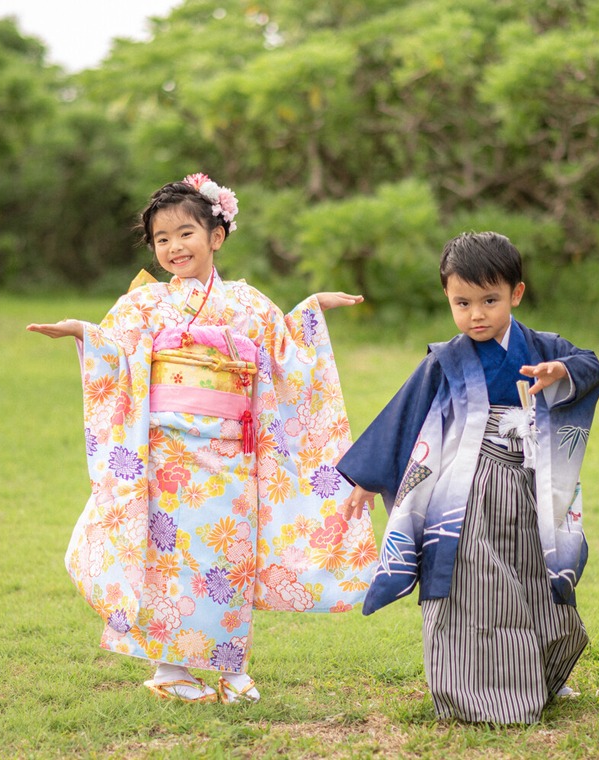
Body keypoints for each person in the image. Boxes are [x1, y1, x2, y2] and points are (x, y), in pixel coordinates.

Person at [28, 174, 377, 704]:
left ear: (217, 235)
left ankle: (231, 669)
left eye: (185, 233)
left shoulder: (247, 304)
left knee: (225, 561)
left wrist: (309, 313)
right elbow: (116, 352)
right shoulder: (143, 306)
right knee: (169, 559)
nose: (173, 247)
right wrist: (82, 331)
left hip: (228, 454)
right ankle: (170, 669)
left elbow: (281, 349)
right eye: (161, 239)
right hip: (166, 455)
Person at [336, 231, 599, 724]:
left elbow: (591, 365)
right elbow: (405, 414)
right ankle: (477, 693)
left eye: (489, 300)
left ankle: (542, 675)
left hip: (530, 490)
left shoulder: (542, 347)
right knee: (475, 585)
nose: (476, 314)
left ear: (516, 294)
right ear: (447, 298)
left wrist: (560, 369)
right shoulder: (447, 360)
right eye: (462, 303)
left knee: (533, 578)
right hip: (465, 493)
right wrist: (369, 478)